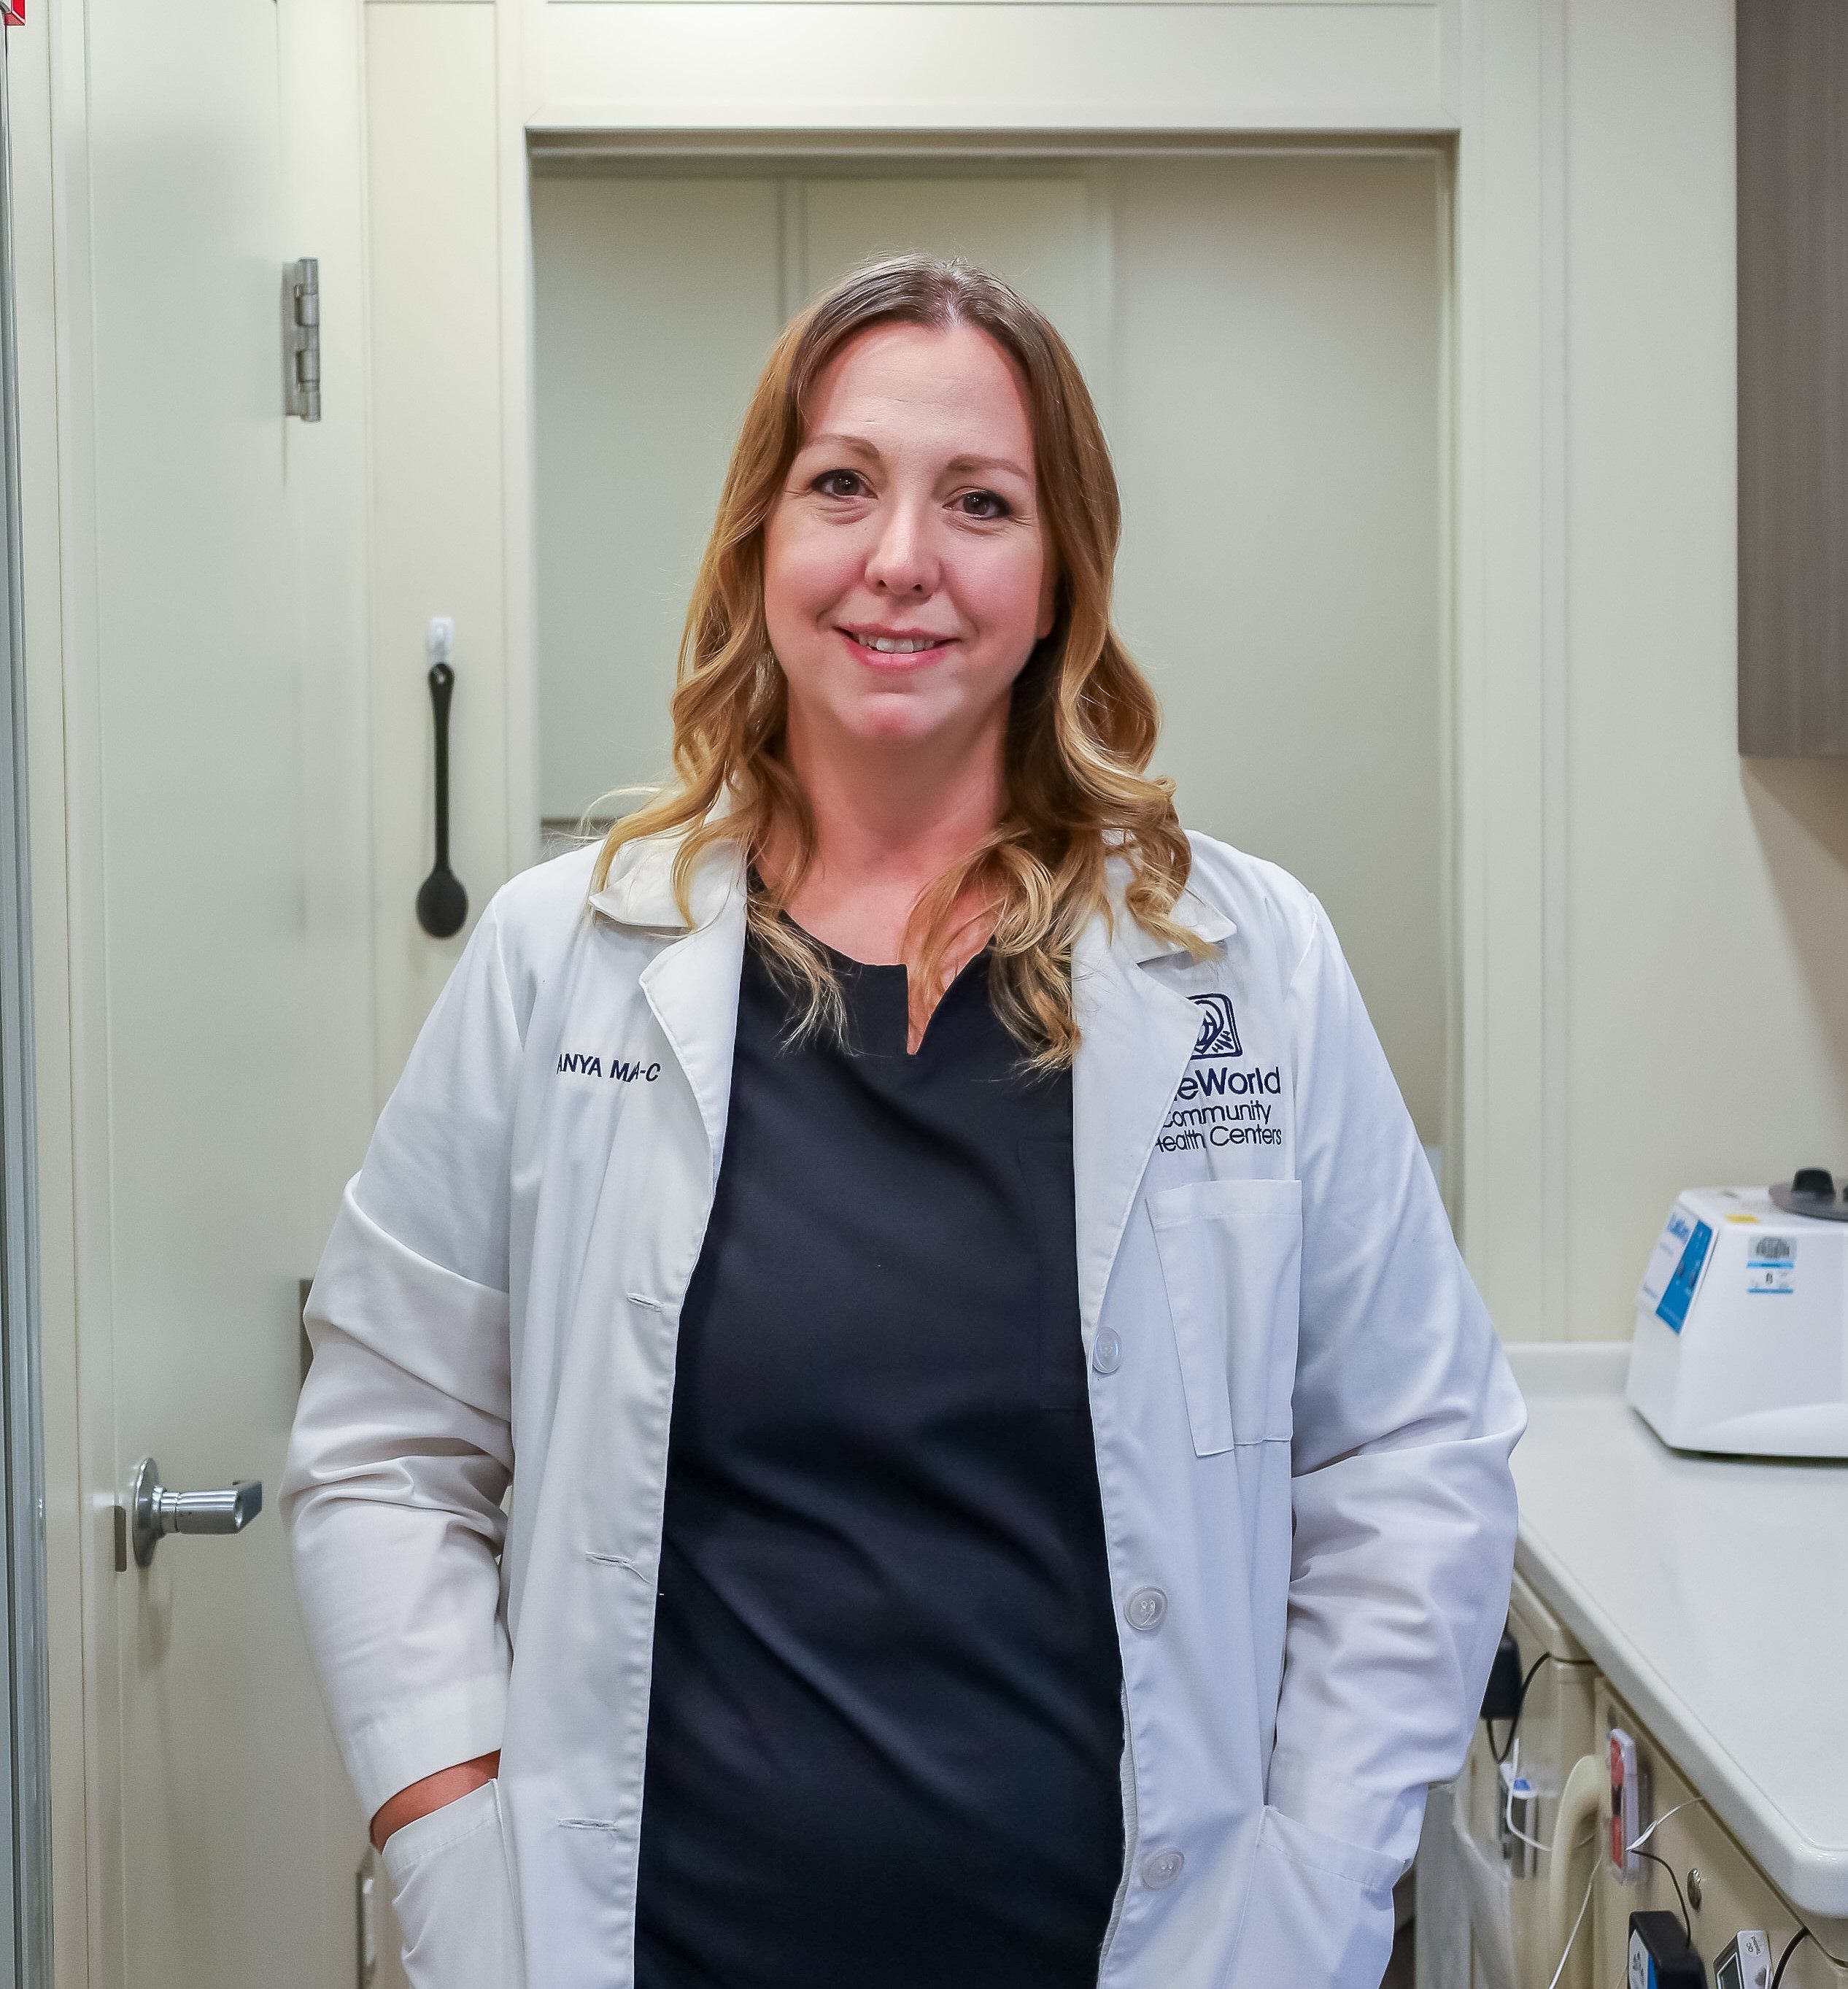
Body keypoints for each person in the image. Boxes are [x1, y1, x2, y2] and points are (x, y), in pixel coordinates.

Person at [282, 252, 1524, 1989]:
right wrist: (451, 1833)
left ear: (1057, 573)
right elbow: (387, 1440)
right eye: (842, 484)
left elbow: (1412, 1458)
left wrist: (1311, 1879)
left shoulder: (1248, 967)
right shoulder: (561, 956)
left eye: (981, 501)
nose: (900, 560)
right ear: (759, 545)